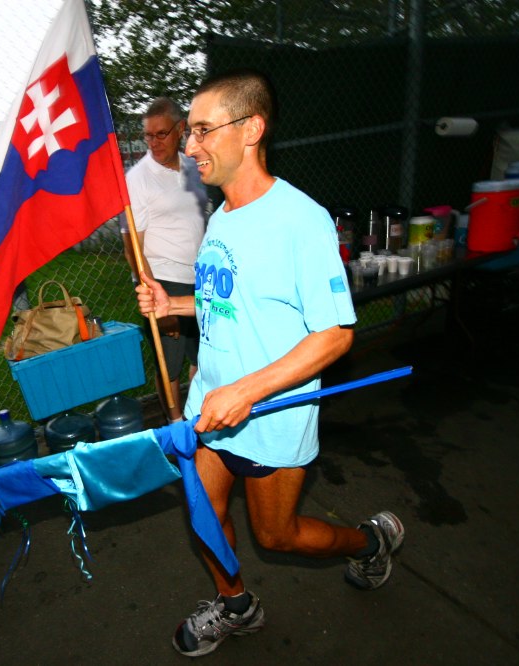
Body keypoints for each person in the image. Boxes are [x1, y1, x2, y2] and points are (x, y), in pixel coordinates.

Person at [136, 69, 404, 658]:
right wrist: (173, 304)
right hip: (211, 405)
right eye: (189, 132)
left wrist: (248, 391)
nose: (189, 146)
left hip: (271, 415)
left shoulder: (300, 220)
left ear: (251, 129)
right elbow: (231, 300)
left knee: (278, 536)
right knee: (204, 517)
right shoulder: (223, 215)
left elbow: (335, 334)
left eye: (202, 130)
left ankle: (369, 543)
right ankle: (236, 606)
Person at [122, 97, 208, 423]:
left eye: (161, 134)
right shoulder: (138, 179)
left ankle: (197, 417)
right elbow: (132, 247)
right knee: (169, 364)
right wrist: (158, 300)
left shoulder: (194, 167)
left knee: (202, 357)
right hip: (164, 281)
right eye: (148, 135)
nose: (154, 142)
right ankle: (175, 425)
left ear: (180, 129)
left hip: (201, 278)